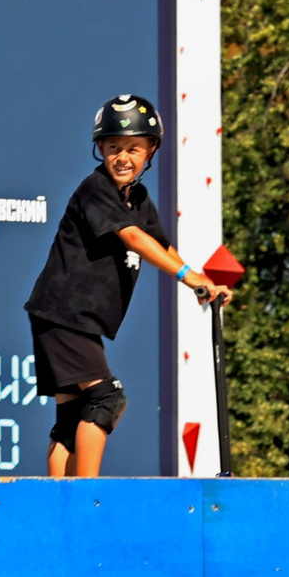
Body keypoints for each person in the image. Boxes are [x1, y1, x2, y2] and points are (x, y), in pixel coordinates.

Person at [23, 94, 233, 478]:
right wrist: (188, 276)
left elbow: (161, 243)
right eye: (113, 147)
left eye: (134, 148)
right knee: (106, 398)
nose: (123, 157)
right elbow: (134, 238)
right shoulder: (96, 188)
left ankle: (57, 507)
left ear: (151, 150)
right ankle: (86, 498)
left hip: (67, 317)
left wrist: (204, 284)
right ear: (100, 149)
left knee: (72, 417)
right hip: (63, 313)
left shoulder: (136, 198)